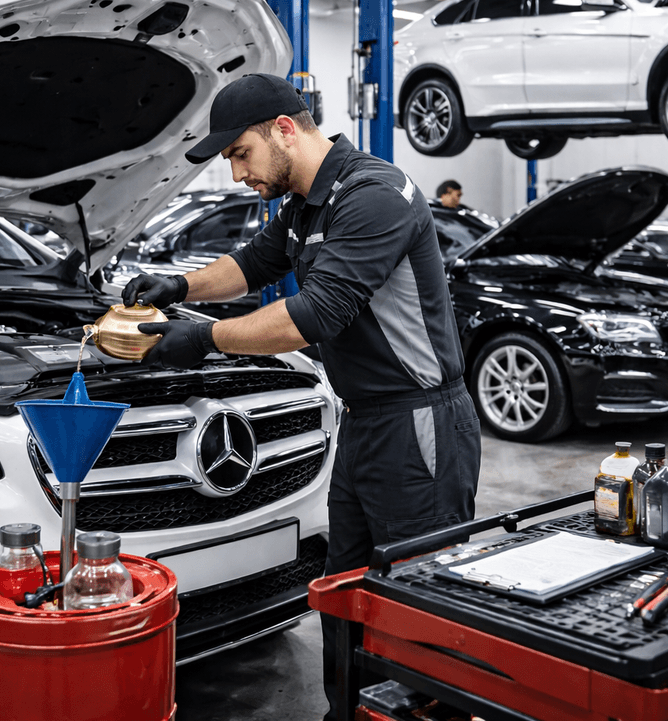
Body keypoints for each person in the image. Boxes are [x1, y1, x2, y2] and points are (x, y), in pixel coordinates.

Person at [119, 73, 481, 720]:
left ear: (284, 129)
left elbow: (313, 314)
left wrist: (202, 338)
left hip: (420, 425)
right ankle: (347, 713)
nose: (236, 175)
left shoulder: (375, 195)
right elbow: (252, 263)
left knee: (419, 602)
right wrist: (177, 286)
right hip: (365, 423)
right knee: (345, 592)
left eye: (239, 155)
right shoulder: (305, 205)